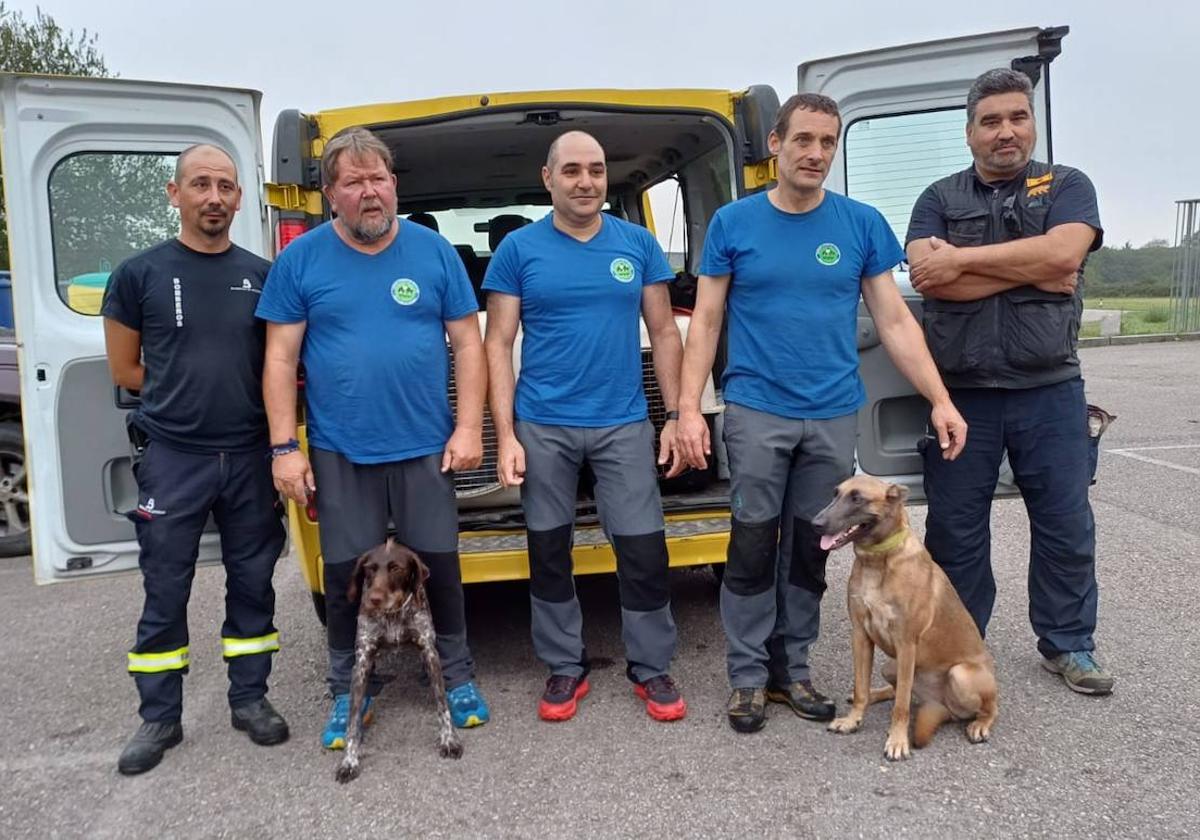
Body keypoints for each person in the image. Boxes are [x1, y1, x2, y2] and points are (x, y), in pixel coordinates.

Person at [677, 94, 967, 734]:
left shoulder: (860, 224)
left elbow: (893, 320)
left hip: (833, 412)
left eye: (827, 143)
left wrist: (941, 399)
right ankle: (748, 676)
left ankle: (793, 669)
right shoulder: (733, 223)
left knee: (815, 545)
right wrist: (689, 410)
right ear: (775, 145)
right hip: (757, 408)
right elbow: (706, 321)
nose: (815, 153)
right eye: (803, 139)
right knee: (753, 540)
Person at [256, 127, 491, 749]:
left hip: (425, 443)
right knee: (346, 576)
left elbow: (468, 342)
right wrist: (285, 447)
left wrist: (470, 426)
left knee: (437, 567)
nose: (369, 193)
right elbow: (280, 359)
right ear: (331, 193)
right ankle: (347, 692)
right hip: (341, 449)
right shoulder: (300, 261)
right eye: (353, 182)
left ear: (395, 185)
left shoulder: (433, 252)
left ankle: (459, 677)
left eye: (379, 179)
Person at [905, 68, 1112, 695]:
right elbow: (927, 279)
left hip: (1049, 389)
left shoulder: (1068, 187)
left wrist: (962, 259)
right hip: (962, 396)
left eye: (1017, 118)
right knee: (955, 531)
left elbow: (1064, 257)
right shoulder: (938, 198)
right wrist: (1031, 266)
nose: (1006, 132)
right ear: (969, 132)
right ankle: (959, 649)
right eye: (991, 121)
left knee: (1065, 524)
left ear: (1032, 123)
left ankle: (1069, 644)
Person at [483, 130, 689, 722]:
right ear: (548, 178)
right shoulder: (519, 252)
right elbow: (498, 343)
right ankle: (564, 668)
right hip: (543, 424)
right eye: (571, 170)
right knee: (550, 549)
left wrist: (675, 415)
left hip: (623, 423)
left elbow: (666, 331)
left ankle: (652, 668)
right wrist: (507, 434)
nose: (585, 182)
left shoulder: (638, 244)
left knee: (643, 549)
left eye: (596, 170)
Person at [104, 144, 288, 775]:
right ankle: (159, 718)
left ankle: (251, 700)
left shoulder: (263, 275)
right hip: (174, 457)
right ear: (173, 193)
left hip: (249, 454)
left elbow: (281, 366)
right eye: (201, 184)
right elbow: (125, 368)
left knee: (254, 582)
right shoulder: (139, 274)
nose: (214, 197)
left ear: (240, 198)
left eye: (226, 186)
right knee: (164, 588)